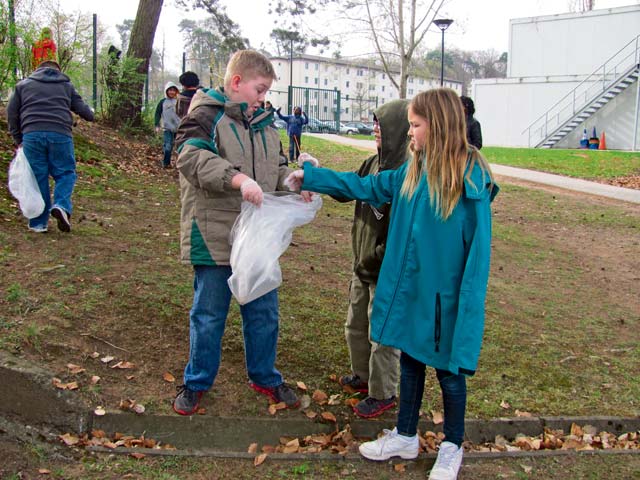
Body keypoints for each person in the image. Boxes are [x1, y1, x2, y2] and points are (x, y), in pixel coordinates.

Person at [286, 88, 498, 480]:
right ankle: (405, 433)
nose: (410, 133)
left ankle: (452, 446)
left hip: (445, 302)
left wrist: (465, 308)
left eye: (416, 126)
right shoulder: (410, 172)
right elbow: (365, 186)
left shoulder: (470, 182)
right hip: (413, 294)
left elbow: (477, 257)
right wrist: (312, 176)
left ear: (438, 125)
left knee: (449, 375)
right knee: (413, 363)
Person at [172, 49, 312, 416]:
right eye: (259, 88)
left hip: (257, 239)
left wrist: (294, 180)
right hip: (213, 232)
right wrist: (237, 179)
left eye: (266, 91)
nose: (263, 97)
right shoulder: (204, 115)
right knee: (209, 313)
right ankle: (197, 381)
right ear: (237, 83)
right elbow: (190, 157)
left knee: (264, 312)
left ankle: (264, 376)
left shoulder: (266, 124)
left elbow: (277, 168)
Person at [337, 100, 410, 419]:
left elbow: (399, 235)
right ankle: (363, 378)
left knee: (381, 334)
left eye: (383, 124)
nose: (376, 129)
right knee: (356, 324)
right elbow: (345, 189)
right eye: (375, 123)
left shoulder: (407, 175)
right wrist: (310, 176)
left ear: (401, 131)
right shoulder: (370, 164)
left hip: (384, 271)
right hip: (361, 264)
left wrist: (374, 259)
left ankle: (383, 393)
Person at [7, 60, 94, 233]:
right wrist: (89, 114)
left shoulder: (23, 85)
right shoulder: (66, 85)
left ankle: (39, 223)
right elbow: (86, 113)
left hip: (31, 135)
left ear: (37, 70)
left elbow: (11, 113)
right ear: (58, 71)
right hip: (60, 134)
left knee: (39, 177)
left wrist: (19, 138)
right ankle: (61, 205)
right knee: (65, 173)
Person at [154, 82, 181, 168]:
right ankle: (166, 163)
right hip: (167, 128)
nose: (172, 92)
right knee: (168, 147)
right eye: (170, 90)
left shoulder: (179, 101)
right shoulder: (163, 102)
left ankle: (180, 164)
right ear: (166, 91)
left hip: (179, 128)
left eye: (173, 90)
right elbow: (157, 113)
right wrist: (157, 125)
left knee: (179, 148)